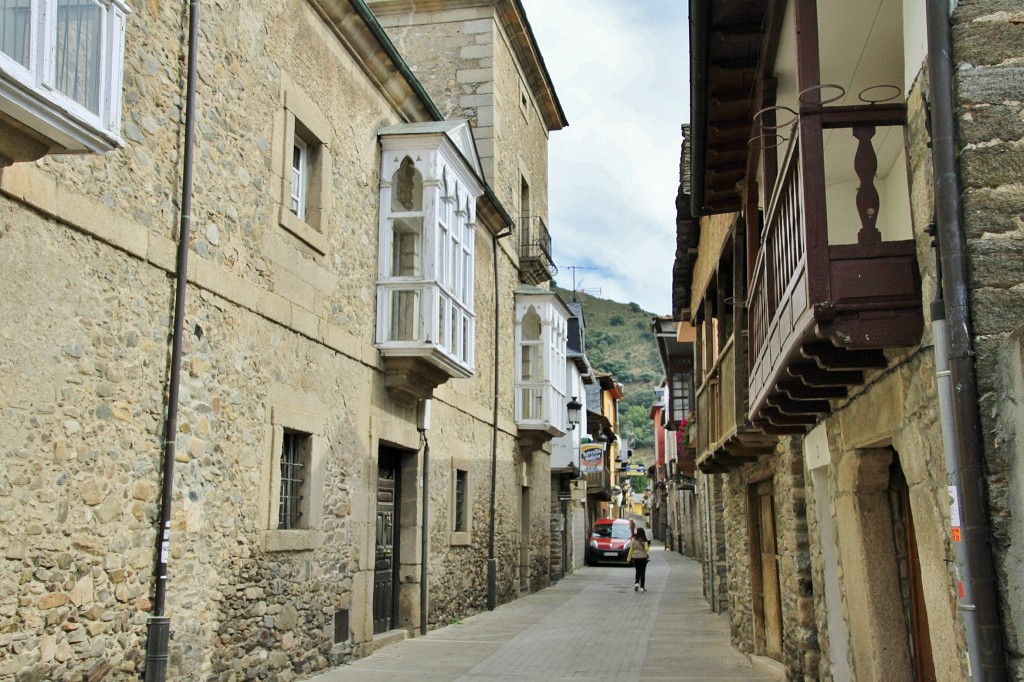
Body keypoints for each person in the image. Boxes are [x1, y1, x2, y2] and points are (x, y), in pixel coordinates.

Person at [627, 527, 650, 592]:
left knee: (637, 571)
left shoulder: (634, 541)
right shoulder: (644, 541)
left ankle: (636, 583)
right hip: (643, 558)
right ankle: (642, 587)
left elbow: (631, 550)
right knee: (642, 572)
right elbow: (646, 550)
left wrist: (628, 559)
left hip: (635, 558)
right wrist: (646, 544)